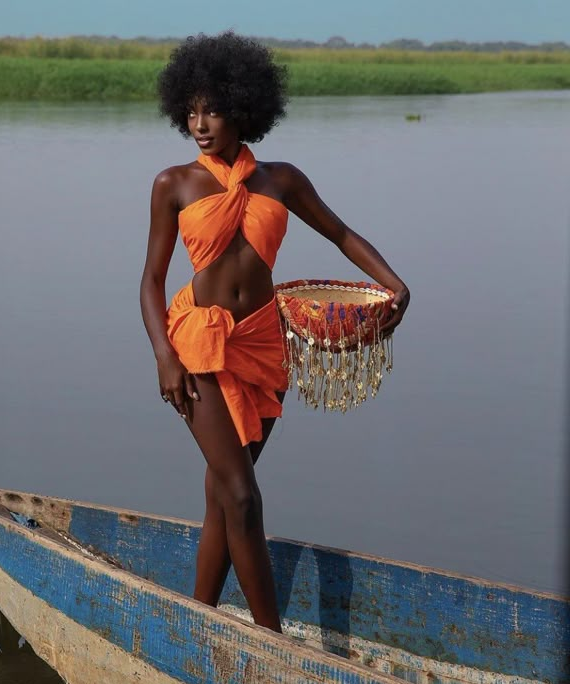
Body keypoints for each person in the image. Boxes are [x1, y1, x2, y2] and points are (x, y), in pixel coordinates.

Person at [140, 33, 410, 633]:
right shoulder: (173, 184)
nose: (200, 124)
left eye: (212, 110)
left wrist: (395, 285)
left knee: (221, 495)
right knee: (242, 497)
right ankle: (272, 640)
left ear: (245, 108)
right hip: (201, 345)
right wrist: (164, 355)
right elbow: (151, 280)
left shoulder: (281, 180)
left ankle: (197, 621)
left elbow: (341, 234)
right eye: (191, 111)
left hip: (265, 343)